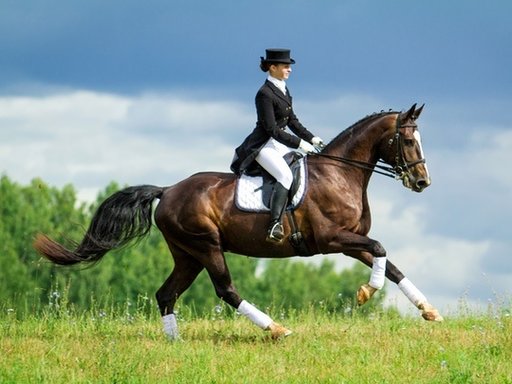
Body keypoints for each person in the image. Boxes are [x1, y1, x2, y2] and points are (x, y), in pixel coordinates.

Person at [231, 48, 324, 243]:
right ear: (272, 67)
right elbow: (272, 129)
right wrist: (299, 143)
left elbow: (292, 121)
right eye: (285, 66)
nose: (289, 70)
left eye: (289, 66)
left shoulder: (283, 88)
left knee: (302, 168)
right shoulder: (264, 93)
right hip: (263, 145)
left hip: (279, 143)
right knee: (285, 175)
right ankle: (275, 224)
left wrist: (312, 138)